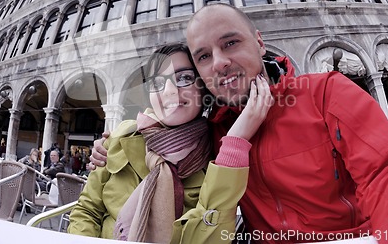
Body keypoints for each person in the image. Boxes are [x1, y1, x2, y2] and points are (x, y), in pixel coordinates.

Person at [92, 4, 388, 243]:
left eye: (230, 43)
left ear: (259, 42)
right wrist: (116, 143)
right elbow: (166, 130)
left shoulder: (325, 94)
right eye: (205, 57)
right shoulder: (212, 134)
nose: (221, 63)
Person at [68, 43, 272, 243]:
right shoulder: (121, 137)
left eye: (184, 78)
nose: (169, 91)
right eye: (157, 83)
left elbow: (211, 237)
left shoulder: (220, 154)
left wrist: (236, 142)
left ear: (203, 88)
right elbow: (86, 211)